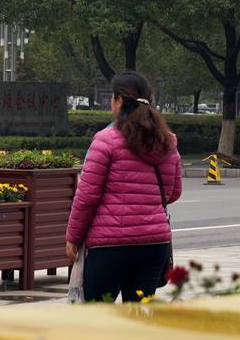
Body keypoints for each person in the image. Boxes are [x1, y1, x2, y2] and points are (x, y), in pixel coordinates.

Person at [65, 72, 182, 302]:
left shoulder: (106, 140)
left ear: (119, 101)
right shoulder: (167, 141)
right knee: (137, 317)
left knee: (98, 318)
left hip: (110, 248)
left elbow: (87, 196)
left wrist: (73, 237)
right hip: (153, 245)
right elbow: (173, 192)